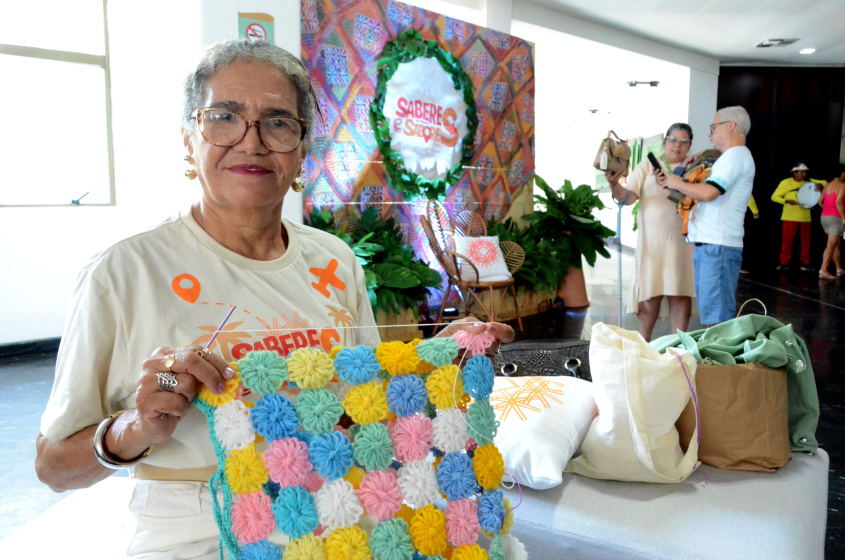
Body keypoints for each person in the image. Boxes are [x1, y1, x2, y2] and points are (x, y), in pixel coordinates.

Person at [34, 39, 513, 559]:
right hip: (199, 530)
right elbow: (53, 467)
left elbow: (364, 410)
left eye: (279, 122)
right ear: (188, 139)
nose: (252, 141)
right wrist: (134, 428)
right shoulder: (123, 273)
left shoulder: (332, 261)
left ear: (303, 150)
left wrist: (436, 358)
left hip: (334, 515)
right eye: (224, 117)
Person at [655, 106, 755, 327]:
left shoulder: (735, 156)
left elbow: (709, 192)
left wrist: (676, 181)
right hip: (711, 246)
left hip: (717, 247)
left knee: (717, 320)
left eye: (713, 127)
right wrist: (675, 182)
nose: (710, 133)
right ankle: (716, 360)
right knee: (713, 316)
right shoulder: (729, 158)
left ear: (731, 125)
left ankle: (720, 362)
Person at [605, 123, 696, 341]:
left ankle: (677, 348)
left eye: (684, 142)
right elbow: (628, 198)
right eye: (673, 140)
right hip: (651, 243)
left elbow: (700, 198)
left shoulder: (694, 167)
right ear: (665, 142)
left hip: (683, 243)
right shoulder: (647, 165)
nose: (678, 146)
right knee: (649, 294)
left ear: (690, 145)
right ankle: (642, 347)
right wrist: (614, 185)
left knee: (680, 292)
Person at [771, 163, 827, 271]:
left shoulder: (809, 182)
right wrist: (786, 201)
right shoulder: (786, 183)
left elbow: (825, 182)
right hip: (790, 216)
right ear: (794, 173)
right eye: (801, 172)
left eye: (805, 172)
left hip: (805, 216)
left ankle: (805, 263)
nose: (804, 174)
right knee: (787, 241)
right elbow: (774, 196)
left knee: (806, 241)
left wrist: (820, 184)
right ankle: (783, 262)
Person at [818, 163, 845, 279]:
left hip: (824, 217)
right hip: (836, 218)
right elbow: (839, 202)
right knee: (831, 245)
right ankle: (823, 270)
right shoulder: (842, 185)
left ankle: (839, 268)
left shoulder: (828, 185)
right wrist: (844, 218)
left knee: (835, 244)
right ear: (842, 173)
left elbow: (820, 201)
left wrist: (828, 210)